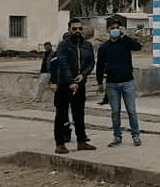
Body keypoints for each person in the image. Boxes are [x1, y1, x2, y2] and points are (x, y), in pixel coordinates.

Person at [95, 17, 143, 147]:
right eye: (112, 28)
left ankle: (136, 135)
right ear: (108, 30)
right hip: (111, 84)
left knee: (131, 111)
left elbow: (138, 47)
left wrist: (126, 37)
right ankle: (117, 136)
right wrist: (99, 82)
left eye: (117, 28)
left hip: (127, 82)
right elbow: (99, 65)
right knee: (115, 111)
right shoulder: (104, 47)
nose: (115, 30)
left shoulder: (126, 43)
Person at [54, 19, 96, 154]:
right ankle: (60, 144)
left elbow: (91, 63)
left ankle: (81, 141)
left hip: (80, 84)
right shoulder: (63, 45)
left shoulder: (87, 46)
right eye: (74, 29)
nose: (77, 31)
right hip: (64, 85)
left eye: (79, 29)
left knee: (79, 114)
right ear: (69, 30)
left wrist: (83, 75)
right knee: (61, 114)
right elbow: (62, 64)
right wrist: (70, 82)